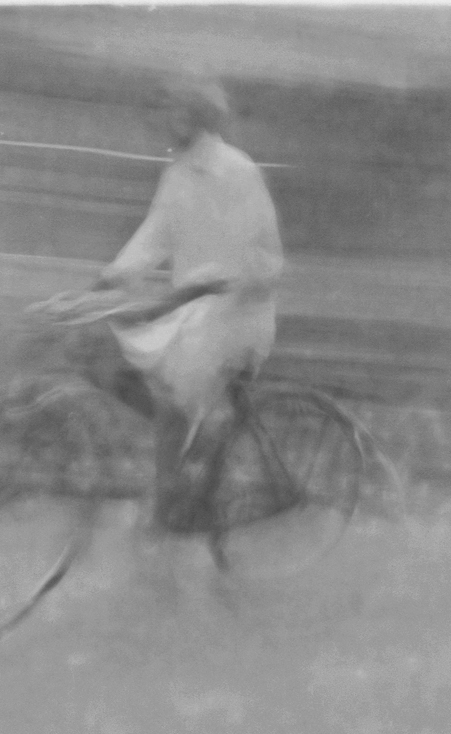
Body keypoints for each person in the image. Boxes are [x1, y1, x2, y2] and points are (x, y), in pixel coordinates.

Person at [92, 79, 286, 533]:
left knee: (173, 397)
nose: (162, 124)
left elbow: (251, 256)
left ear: (197, 117)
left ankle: (177, 500)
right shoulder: (177, 173)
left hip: (237, 315)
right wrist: (111, 278)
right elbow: (154, 236)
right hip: (193, 314)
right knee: (106, 361)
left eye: (173, 113)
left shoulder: (237, 172)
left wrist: (193, 290)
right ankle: (188, 473)